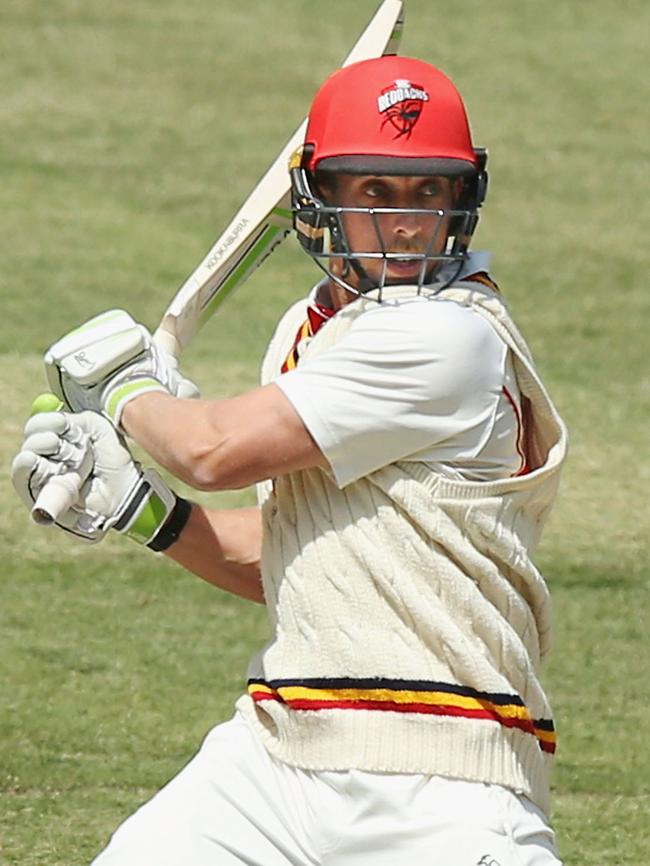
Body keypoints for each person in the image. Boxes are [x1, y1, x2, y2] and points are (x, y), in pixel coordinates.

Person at [12, 56, 568, 865]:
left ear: (463, 199)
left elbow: (212, 451)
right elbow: (288, 554)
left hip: (441, 777)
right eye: (374, 191)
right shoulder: (312, 331)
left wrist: (126, 390)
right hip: (274, 757)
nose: (406, 222)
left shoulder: (449, 336)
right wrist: (146, 511)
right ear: (319, 197)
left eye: (428, 193)